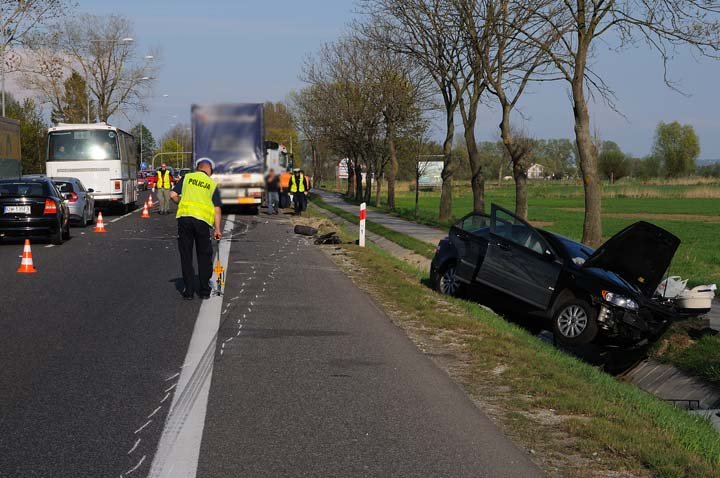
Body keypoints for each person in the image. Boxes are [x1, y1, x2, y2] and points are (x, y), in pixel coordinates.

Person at [170, 157, 223, 300]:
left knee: (186, 255)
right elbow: (217, 209)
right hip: (202, 222)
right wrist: (217, 229)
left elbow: (173, 195)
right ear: (209, 170)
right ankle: (204, 291)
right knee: (204, 256)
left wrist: (182, 203)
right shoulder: (212, 184)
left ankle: (188, 291)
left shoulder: (187, 178)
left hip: (184, 219)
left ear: (198, 168)